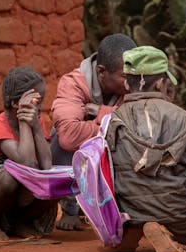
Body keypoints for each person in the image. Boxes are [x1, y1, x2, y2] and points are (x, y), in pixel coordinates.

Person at [103, 46, 186, 252]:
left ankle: (135, 228)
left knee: (137, 211)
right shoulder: (182, 118)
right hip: (177, 210)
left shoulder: (111, 121)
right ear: (162, 83)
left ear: (126, 83)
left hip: (129, 210)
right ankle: (165, 227)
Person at [50, 33, 136, 230]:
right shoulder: (73, 83)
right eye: (124, 77)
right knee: (58, 138)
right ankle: (70, 208)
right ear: (101, 71)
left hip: (115, 155)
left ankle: (123, 208)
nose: (131, 83)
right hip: (83, 153)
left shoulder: (135, 81)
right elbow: (69, 136)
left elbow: (144, 124)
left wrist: (101, 113)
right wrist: (115, 124)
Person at [0, 67, 56, 242]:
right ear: (16, 104)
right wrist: (24, 122)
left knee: (53, 181)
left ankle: (20, 222)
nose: (41, 106)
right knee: (10, 177)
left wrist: (36, 127)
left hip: (19, 200)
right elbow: (26, 163)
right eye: (38, 100)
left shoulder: (36, 120)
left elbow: (46, 165)